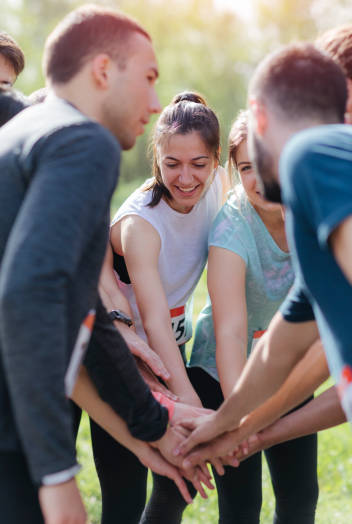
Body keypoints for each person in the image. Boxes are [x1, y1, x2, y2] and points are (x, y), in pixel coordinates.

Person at [179, 34, 352, 524]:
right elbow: (282, 346)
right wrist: (227, 425)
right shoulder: (328, 197)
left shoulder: (314, 153)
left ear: (258, 118)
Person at [0, 4, 200, 524]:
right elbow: (29, 296)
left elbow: (84, 319)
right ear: (103, 71)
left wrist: (148, 427)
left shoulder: (27, 133)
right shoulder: (81, 141)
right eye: (149, 79)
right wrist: (56, 473)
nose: (157, 103)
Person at [95, 91, 228, 523]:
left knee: (175, 479)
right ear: (157, 156)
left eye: (198, 164)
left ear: (216, 159)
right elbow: (151, 319)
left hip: (173, 344)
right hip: (122, 350)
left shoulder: (219, 187)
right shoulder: (141, 225)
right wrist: (188, 401)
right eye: (172, 164)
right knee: (125, 488)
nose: (186, 177)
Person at [187, 109, 319, 523]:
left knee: (300, 498)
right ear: (234, 169)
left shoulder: (313, 216)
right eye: (246, 168)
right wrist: (241, 419)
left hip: (286, 372)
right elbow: (230, 331)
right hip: (226, 376)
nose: (259, 179)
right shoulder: (232, 227)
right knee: (243, 507)